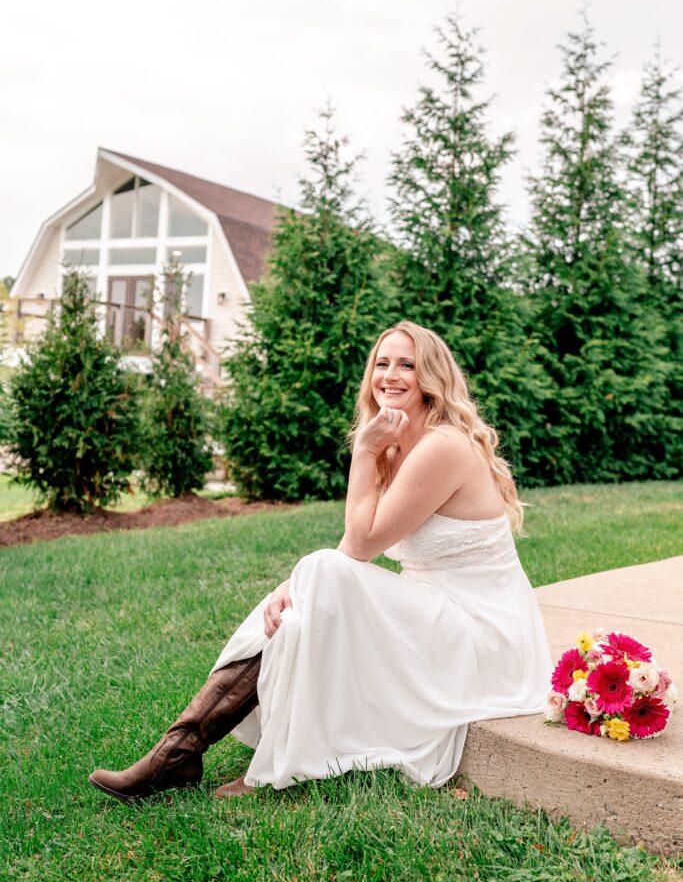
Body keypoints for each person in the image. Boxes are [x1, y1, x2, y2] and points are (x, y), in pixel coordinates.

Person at [89, 321, 552, 802]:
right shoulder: (404, 442)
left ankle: (191, 755)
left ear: (432, 378)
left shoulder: (441, 446)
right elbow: (352, 549)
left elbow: (362, 540)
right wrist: (293, 583)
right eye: (382, 363)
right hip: (442, 614)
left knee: (320, 574)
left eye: (407, 365)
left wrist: (365, 451)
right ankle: (177, 750)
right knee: (311, 584)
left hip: (484, 639)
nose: (390, 375)